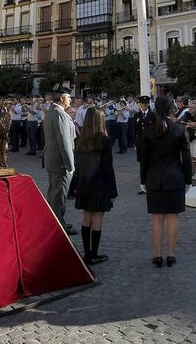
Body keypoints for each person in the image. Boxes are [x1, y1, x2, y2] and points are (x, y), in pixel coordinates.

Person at [140, 95, 192, 267]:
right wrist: (188, 178)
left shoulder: (147, 130)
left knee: (156, 218)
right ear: (172, 109)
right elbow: (186, 157)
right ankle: (171, 254)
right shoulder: (179, 129)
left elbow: (144, 159)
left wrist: (142, 180)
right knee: (172, 217)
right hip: (175, 177)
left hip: (154, 178)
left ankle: (157, 254)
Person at [71, 105, 117, 266]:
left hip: (84, 184)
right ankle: (94, 254)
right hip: (100, 185)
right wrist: (113, 190)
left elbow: (77, 167)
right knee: (97, 218)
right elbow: (108, 168)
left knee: (86, 217)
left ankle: (87, 254)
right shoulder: (104, 141)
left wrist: (75, 186)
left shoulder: (79, 141)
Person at [42, 86, 78, 235]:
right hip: (60, 162)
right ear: (63, 98)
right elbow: (65, 142)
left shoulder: (52, 112)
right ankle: (59, 224)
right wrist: (70, 165)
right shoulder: (60, 114)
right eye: (69, 97)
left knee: (53, 192)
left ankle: (53, 221)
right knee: (59, 194)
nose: (70, 100)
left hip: (52, 159)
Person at [131, 95, 153, 193]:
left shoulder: (153, 115)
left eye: (145, 104)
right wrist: (136, 143)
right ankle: (143, 185)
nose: (143, 105)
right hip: (141, 143)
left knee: (151, 164)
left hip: (150, 143)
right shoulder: (137, 115)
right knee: (143, 165)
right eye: (141, 104)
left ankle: (151, 184)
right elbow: (135, 131)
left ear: (148, 104)